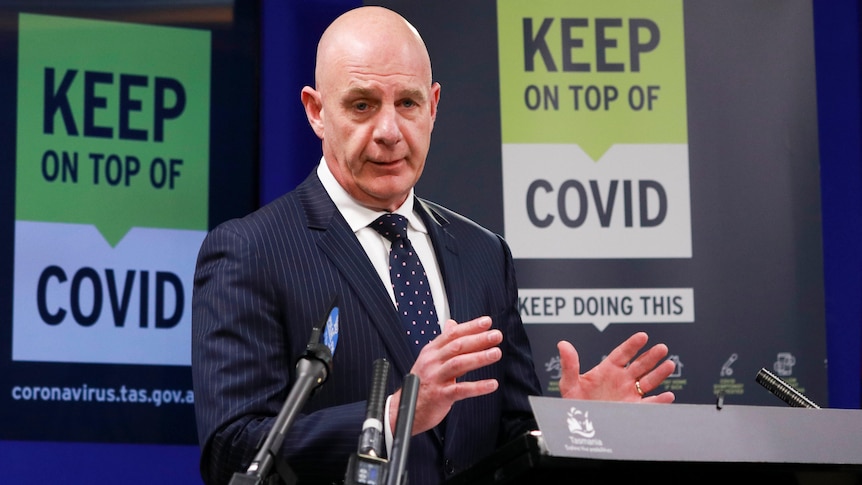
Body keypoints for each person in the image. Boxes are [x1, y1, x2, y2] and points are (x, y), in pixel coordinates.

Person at [191, 6, 675, 485]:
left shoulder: (484, 254)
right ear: (316, 111)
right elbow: (231, 452)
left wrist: (569, 431)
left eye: (408, 103)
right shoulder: (249, 250)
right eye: (362, 105)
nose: (389, 132)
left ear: (434, 105)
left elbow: (507, 444)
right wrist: (391, 417)